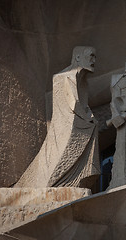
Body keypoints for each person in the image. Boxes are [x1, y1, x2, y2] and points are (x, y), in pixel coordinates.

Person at [16, 46, 100, 188]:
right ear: (78, 58)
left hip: (78, 121)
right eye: (91, 56)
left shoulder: (84, 82)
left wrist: (90, 116)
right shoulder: (63, 77)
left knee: (94, 127)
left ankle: (77, 177)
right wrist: (87, 118)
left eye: (95, 57)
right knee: (62, 151)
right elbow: (72, 103)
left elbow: (84, 106)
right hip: (66, 125)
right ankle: (52, 183)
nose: (94, 61)